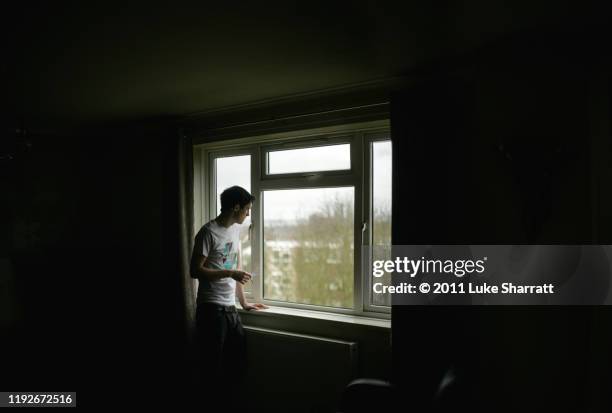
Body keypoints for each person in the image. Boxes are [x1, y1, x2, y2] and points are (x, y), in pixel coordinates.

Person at [190, 185, 268, 405]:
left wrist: (243, 302)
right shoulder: (208, 232)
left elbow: (237, 268)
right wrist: (230, 273)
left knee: (237, 364)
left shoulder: (235, 231)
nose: (248, 213)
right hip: (211, 309)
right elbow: (195, 270)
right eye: (247, 209)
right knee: (211, 369)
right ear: (236, 207)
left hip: (230, 309)